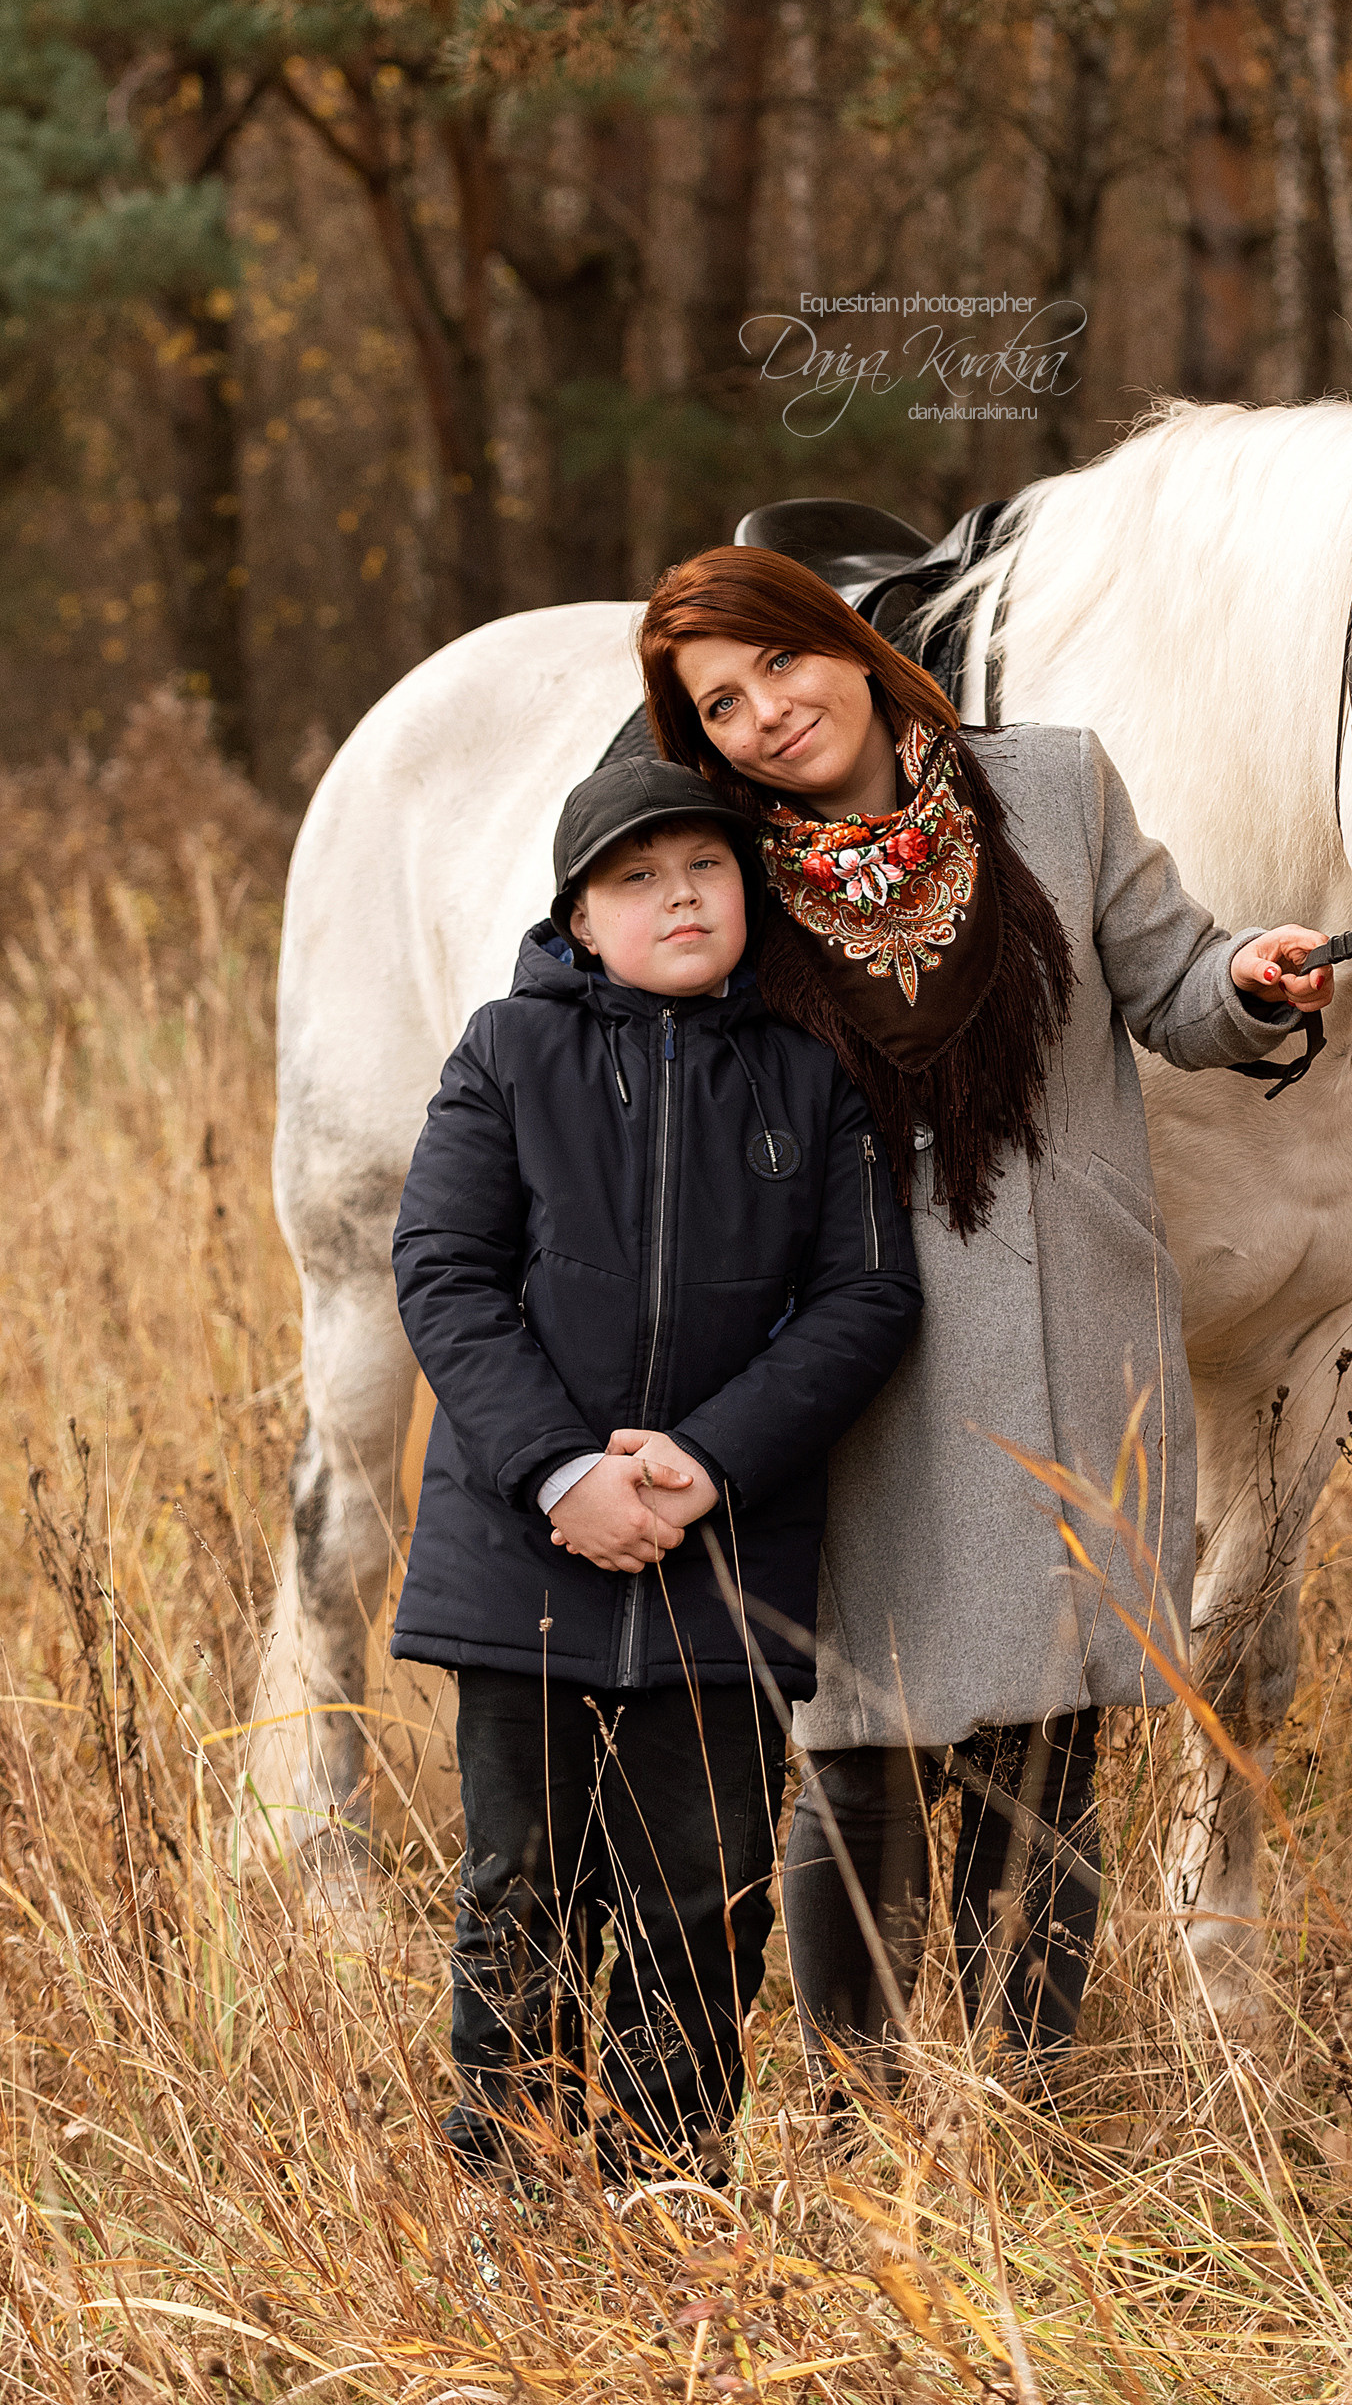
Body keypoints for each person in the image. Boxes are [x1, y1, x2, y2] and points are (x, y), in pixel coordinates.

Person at [637, 548, 1335, 2106]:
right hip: (848, 1355)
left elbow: (1173, 977)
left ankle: (1028, 2101)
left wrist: (1255, 980)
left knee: (1047, 1747)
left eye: (779, 667)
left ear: (850, 648)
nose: (766, 717)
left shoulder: (1056, 788)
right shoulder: (726, 872)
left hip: (1060, 1318)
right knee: (858, 1738)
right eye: (721, 707)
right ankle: (863, 2111)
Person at [389, 759, 920, 2186]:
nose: (677, 896)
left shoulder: (815, 1079)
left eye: (704, 866)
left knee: (706, 1889)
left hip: (722, 1562)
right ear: (577, 916)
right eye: (635, 877)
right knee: (521, 1885)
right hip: (527, 1559)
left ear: (749, 888)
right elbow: (443, 1272)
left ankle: (667, 2183)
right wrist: (564, 1472)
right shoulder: (508, 1052)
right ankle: (517, 2184)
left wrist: (704, 1461)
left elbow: (869, 1296)